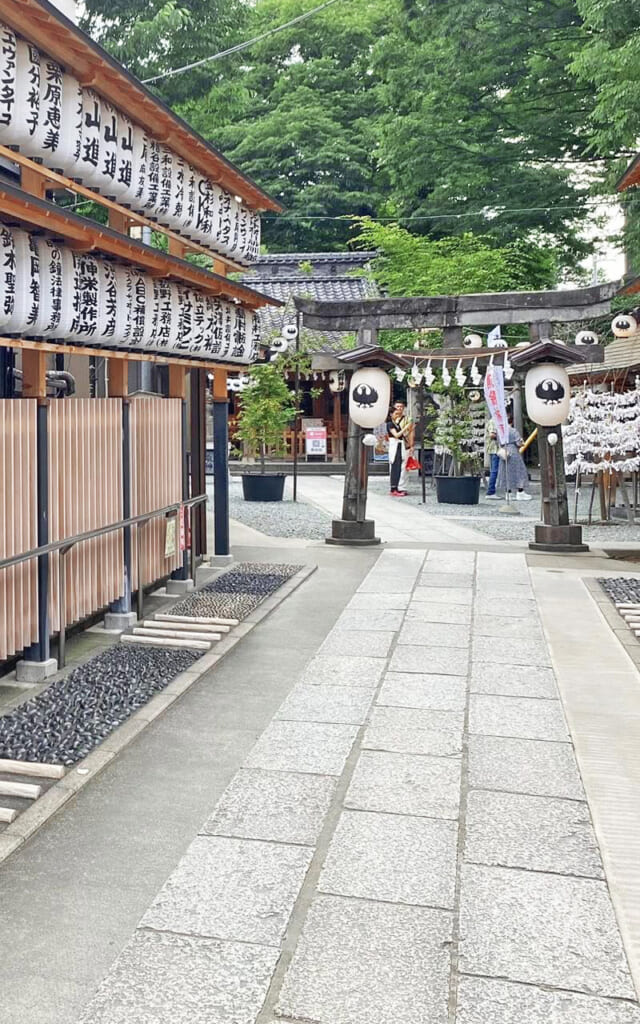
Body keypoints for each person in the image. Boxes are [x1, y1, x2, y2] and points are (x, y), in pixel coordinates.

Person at [495, 414, 532, 501]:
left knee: (506, 472)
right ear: (511, 421)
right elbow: (519, 443)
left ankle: (508, 493)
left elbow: (498, 442)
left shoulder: (500, 432)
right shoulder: (513, 431)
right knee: (519, 472)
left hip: (504, 452)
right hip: (513, 452)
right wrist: (522, 442)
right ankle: (520, 492)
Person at [386, 400, 414, 497]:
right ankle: (394, 488)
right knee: (395, 467)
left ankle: (398, 487)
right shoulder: (390, 424)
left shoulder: (397, 423)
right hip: (395, 445)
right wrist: (406, 427)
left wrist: (411, 445)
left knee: (400, 467)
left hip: (401, 445)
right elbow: (397, 435)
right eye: (395, 413)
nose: (397, 414)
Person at [485, 419, 501, 500]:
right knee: (494, 471)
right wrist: (501, 435)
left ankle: (491, 490)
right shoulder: (494, 421)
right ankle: (490, 491)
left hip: (494, 449)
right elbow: (492, 434)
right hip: (494, 449)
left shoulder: (493, 421)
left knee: (494, 470)